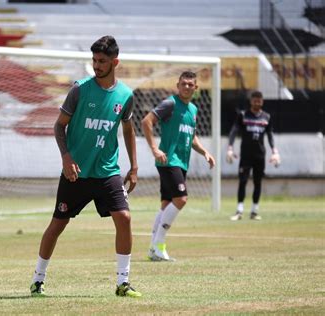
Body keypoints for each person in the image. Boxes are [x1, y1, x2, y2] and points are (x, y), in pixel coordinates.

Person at [29, 35, 141, 298]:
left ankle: (123, 283)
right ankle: (37, 279)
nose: (96, 65)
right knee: (57, 225)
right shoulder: (80, 90)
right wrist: (66, 157)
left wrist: (134, 167)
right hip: (76, 173)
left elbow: (128, 129)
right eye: (94, 60)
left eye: (102, 61)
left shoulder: (125, 95)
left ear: (115, 62)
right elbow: (59, 125)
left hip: (107, 172)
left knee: (124, 218)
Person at [141, 71, 215, 262]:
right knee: (181, 199)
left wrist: (204, 152)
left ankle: (154, 249)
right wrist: (154, 148)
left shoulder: (193, 110)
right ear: (178, 85)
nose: (187, 87)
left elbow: (191, 136)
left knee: (167, 204)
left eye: (191, 84)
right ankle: (159, 245)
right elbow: (146, 121)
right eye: (184, 84)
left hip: (181, 162)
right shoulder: (170, 103)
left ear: (196, 88)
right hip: (168, 160)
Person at [226, 90, 280, 221]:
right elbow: (234, 131)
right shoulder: (243, 115)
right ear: (251, 101)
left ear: (262, 102)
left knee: (258, 182)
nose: (257, 103)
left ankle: (254, 211)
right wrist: (230, 148)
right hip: (246, 155)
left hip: (260, 155)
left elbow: (270, 135)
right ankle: (239, 211)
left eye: (259, 101)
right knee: (243, 181)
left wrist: (275, 151)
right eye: (255, 100)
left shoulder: (266, 117)